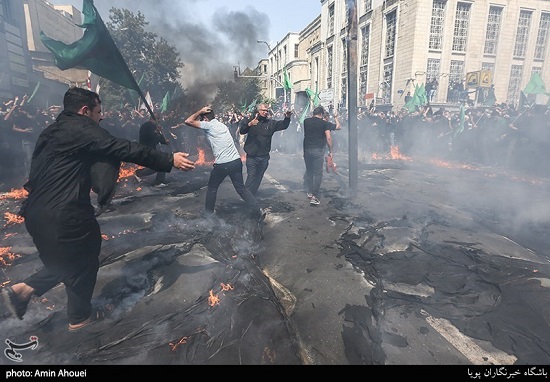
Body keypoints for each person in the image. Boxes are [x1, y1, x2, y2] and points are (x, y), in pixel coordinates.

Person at [2, 87, 195, 332]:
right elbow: (121, 147)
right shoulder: (81, 129)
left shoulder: (51, 131)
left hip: (35, 211)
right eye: (98, 111)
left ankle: (25, 291)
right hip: (65, 211)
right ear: (85, 110)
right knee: (85, 255)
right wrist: (168, 159)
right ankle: (79, 320)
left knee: (68, 259)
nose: (101, 117)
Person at [184, 105, 265, 222]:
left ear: (205, 119)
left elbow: (188, 121)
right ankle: (258, 210)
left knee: (212, 188)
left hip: (223, 164)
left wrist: (200, 111)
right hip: (236, 161)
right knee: (241, 188)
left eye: (202, 118)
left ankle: (208, 214)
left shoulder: (209, 125)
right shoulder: (222, 125)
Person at [239, 103, 292, 196]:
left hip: (264, 157)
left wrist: (287, 118)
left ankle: (252, 194)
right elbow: (242, 130)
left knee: (259, 177)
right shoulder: (251, 121)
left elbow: (283, 125)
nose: (265, 112)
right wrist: (249, 124)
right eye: (263, 110)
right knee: (251, 176)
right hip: (252, 157)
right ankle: (246, 196)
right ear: (258, 111)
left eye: (267, 110)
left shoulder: (271, 123)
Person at [303, 106, 335, 206]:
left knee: (309, 171)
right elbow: (329, 138)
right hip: (318, 151)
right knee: (318, 173)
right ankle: (314, 196)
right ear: (321, 114)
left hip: (307, 150)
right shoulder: (324, 123)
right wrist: (331, 151)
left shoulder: (306, 121)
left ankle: (309, 191)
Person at [134, 114, 170, 187]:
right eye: (158, 119)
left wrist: (164, 141)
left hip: (153, 150)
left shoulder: (156, 127)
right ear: (152, 119)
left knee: (161, 164)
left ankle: (140, 174)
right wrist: (156, 131)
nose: (159, 121)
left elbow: (158, 138)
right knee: (160, 164)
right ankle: (139, 174)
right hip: (145, 150)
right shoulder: (145, 126)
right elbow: (147, 137)